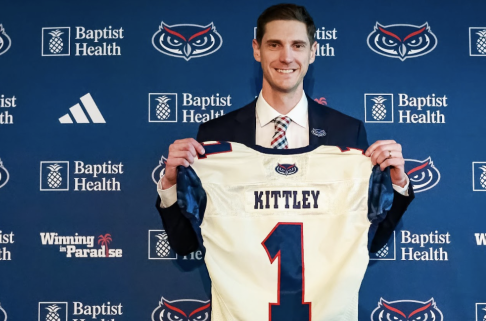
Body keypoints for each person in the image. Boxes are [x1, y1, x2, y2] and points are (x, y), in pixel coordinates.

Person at [156, 3, 414, 255]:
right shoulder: (215, 136)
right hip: (244, 298)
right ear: (257, 50)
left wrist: (397, 184)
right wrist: (170, 184)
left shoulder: (347, 132)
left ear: (313, 52)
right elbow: (186, 244)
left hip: (321, 298)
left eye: (298, 46)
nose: (286, 57)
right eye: (274, 44)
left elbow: (367, 241)